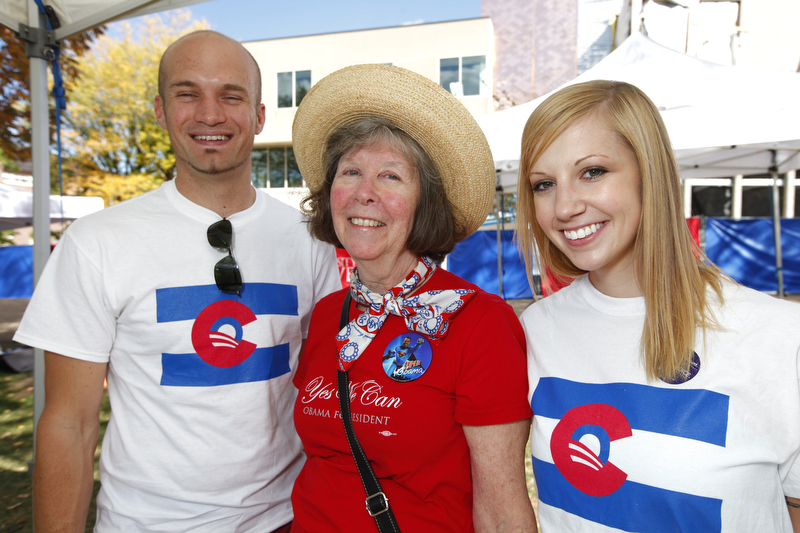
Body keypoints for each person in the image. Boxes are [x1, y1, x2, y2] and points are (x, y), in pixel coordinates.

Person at [14, 30, 340, 532]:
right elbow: (68, 424)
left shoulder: (309, 237)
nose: (210, 114)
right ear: (161, 111)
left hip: (286, 519)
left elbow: (329, 392)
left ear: (259, 115)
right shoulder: (97, 241)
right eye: (188, 93)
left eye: (231, 96)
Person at [516, 79, 800, 532]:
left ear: (649, 173)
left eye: (592, 172)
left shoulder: (780, 336)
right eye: (544, 184)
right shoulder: (536, 329)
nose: (564, 207)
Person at [289, 64, 537, 532]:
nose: (364, 193)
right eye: (350, 172)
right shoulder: (327, 314)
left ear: (426, 202)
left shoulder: (480, 323)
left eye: (390, 176)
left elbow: (502, 509)